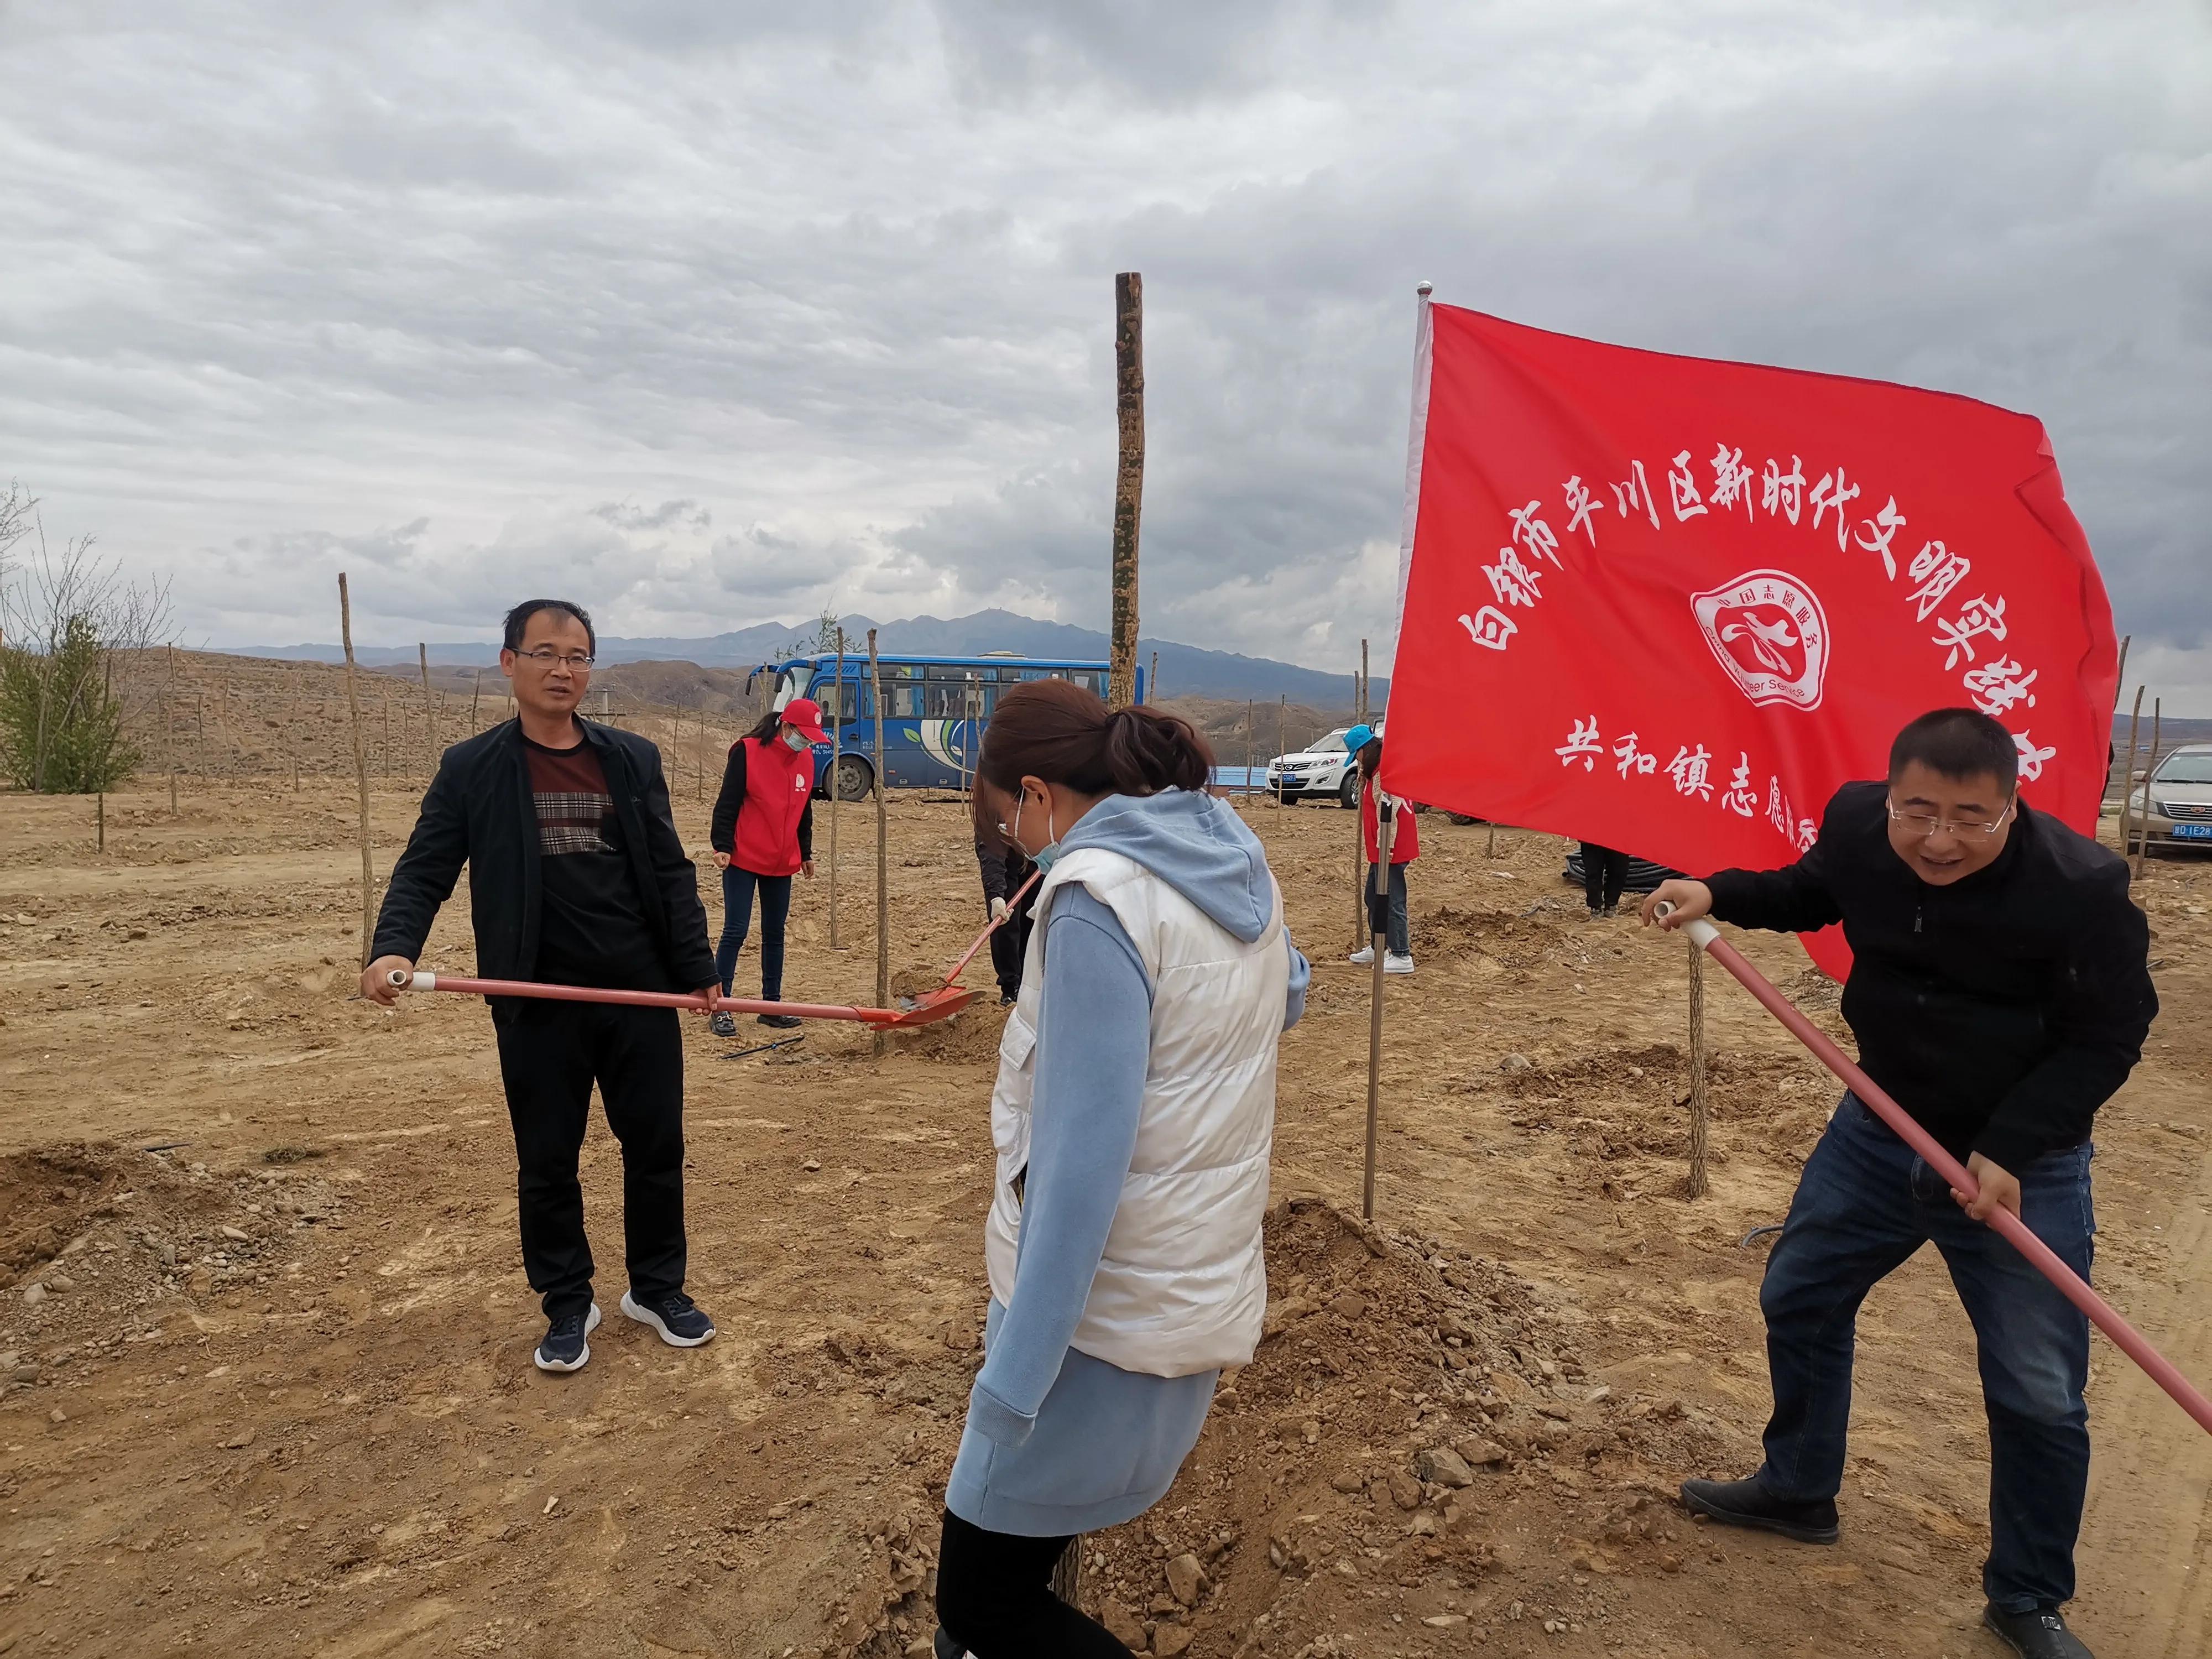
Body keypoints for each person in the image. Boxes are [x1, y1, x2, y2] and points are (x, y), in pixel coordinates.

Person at [1644, 708, 2156, 1659]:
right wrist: (1714, 892)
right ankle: (1797, 1489)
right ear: (1888, 795)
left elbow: (2110, 1035)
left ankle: (2027, 1595)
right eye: (1917, 810)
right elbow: (1809, 891)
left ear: (2013, 806)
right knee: (1800, 1292)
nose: (1939, 838)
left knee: (2039, 1389)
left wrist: (2008, 1146)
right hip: (1880, 1124)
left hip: (2019, 1163)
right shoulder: (1855, 826)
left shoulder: (2079, 888)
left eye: (1971, 818)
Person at [932, 679, 1311, 1656]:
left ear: (1035, 793)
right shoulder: (1228, 856)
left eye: (1006, 820)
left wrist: (1012, 1386)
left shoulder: (1099, 901)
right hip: (1189, 1291)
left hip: (1095, 1329)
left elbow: (1078, 1178)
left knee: (981, 1602)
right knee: (1019, 1572)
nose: (1014, 844)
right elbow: (1288, 987)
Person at [362, 599, 722, 1374]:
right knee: (548, 1158)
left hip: (639, 996)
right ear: (510, 663)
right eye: (548, 653)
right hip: (535, 1002)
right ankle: (568, 1301)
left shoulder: (632, 758)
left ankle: (657, 1288)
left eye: (580, 656)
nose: (565, 670)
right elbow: (426, 869)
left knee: (656, 1146)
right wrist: (393, 948)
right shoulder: (472, 769)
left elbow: (669, 869)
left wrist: (699, 970)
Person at [707, 698, 825, 1034]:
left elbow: (804, 810)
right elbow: (727, 801)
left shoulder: (805, 760)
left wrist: (806, 853)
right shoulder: (747, 752)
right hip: (744, 857)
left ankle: (770, 1006)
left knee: (775, 934)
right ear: (786, 727)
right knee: (736, 931)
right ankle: (722, 1006)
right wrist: (722, 846)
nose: (808, 742)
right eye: (804, 735)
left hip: (782, 861)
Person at [1345, 724, 1417, 974]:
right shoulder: (1375, 771)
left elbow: (1392, 812)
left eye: (1356, 754)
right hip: (1382, 846)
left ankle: (1401, 955)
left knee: (1392, 900)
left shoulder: (1384, 774)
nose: (1356, 760)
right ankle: (1380, 945)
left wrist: (1387, 846)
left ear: (1366, 749)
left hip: (1391, 846)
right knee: (1373, 897)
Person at [974, 834, 1036, 1006]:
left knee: (1033, 922)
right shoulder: (989, 811)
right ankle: (1011, 987)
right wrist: (996, 895)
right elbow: (990, 849)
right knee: (1005, 924)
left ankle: (1029, 983)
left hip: (1037, 854)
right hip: (1004, 858)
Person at [1579, 841, 1631, 917]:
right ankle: (1595, 907)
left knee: (1619, 869)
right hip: (1591, 835)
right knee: (1593, 871)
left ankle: (1611, 904)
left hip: (1619, 836)